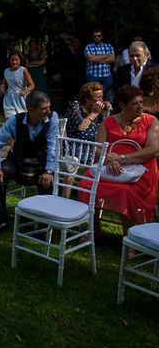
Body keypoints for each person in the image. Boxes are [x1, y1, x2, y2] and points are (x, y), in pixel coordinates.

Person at [79, 85, 159, 239]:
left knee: (125, 192)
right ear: (122, 105)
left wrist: (122, 158)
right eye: (135, 104)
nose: (140, 106)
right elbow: (97, 149)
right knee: (85, 184)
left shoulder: (151, 121)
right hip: (110, 168)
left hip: (141, 171)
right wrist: (110, 158)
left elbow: (153, 149)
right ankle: (94, 229)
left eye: (141, 102)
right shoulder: (108, 122)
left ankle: (130, 237)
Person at [0, 91, 59, 233]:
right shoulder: (15, 120)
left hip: (40, 163)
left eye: (49, 107)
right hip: (18, 161)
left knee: (49, 181)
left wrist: (49, 171)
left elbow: (53, 146)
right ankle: (1, 221)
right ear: (31, 110)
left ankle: (43, 226)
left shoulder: (52, 118)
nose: (48, 111)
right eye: (44, 108)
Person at [62, 82, 110, 197]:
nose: (101, 101)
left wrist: (106, 112)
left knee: (108, 161)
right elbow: (80, 127)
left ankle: (96, 197)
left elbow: (104, 129)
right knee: (72, 164)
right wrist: (94, 114)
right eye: (97, 98)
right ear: (87, 100)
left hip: (93, 149)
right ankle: (65, 199)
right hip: (74, 148)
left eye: (102, 98)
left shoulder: (99, 110)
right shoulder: (76, 107)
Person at [85, 28, 115, 102]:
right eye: (95, 36)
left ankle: (107, 112)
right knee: (93, 96)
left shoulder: (108, 46)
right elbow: (91, 59)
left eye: (99, 36)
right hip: (93, 75)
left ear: (102, 36)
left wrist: (96, 59)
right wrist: (106, 56)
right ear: (92, 37)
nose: (97, 37)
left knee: (107, 96)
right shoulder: (88, 47)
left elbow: (112, 59)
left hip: (106, 75)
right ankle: (95, 112)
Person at [0, 52, 34, 118]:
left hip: (21, 98)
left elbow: (32, 85)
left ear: (20, 60)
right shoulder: (6, 71)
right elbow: (4, 82)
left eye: (16, 60)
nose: (14, 62)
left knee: (22, 119)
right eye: (12, 60)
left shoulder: (23, 70)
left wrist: (25, 91)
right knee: (11, 119)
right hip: (9, 99)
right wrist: (2, 87)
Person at [58, 36, 86, 107]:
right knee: (67, 96)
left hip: (78, 78)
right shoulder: (64, 51)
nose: (77, 44)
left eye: (78, 42)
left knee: (78, 95)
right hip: (67, 78)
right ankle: (65, 110)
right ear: (71, 43)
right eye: (75, 42)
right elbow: (62, 64)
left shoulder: (81, 52)